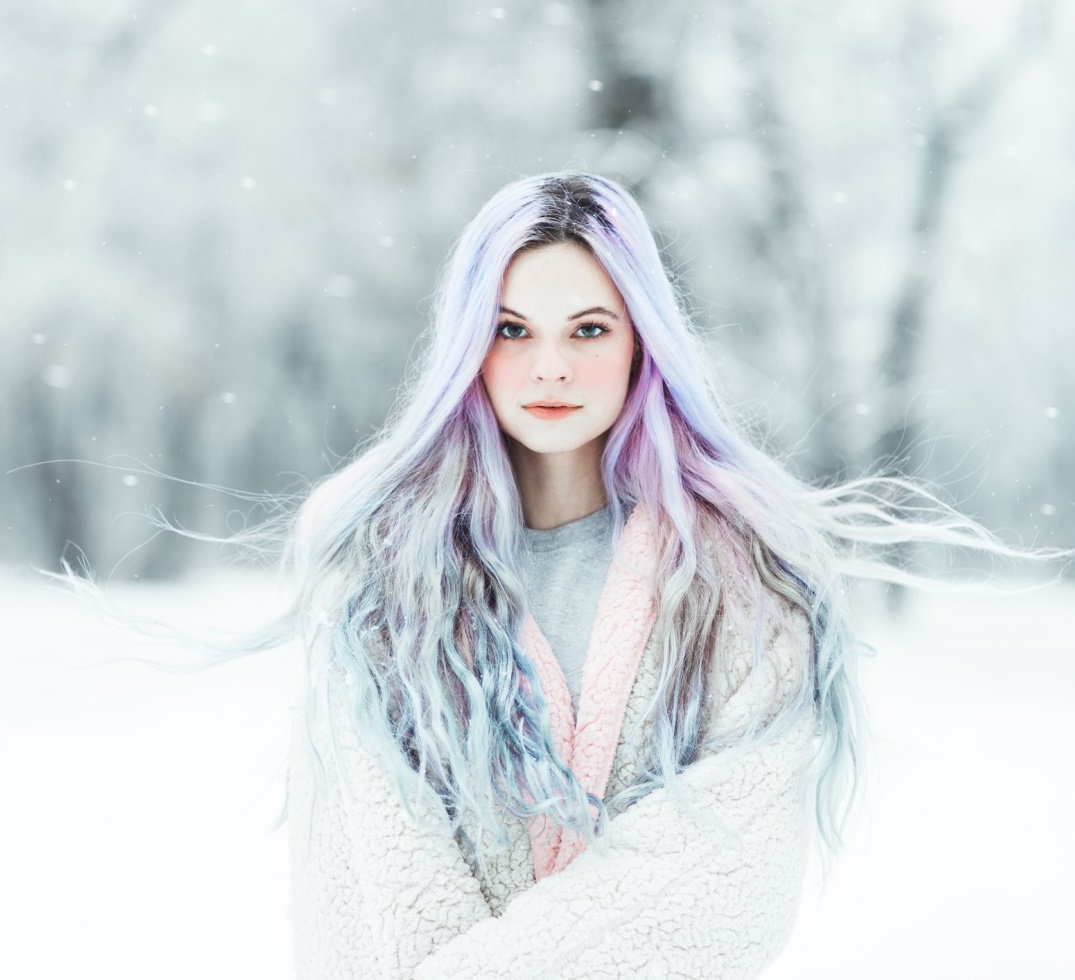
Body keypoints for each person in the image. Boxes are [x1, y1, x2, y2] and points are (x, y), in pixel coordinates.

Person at [275, 172, 1035, 979]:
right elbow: (359, 896)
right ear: (469, 345)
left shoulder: (738, 588)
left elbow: (724, 882)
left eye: (589, 330)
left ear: (640, 340)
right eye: (512, 330)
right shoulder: (385, 594)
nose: (551, 367)